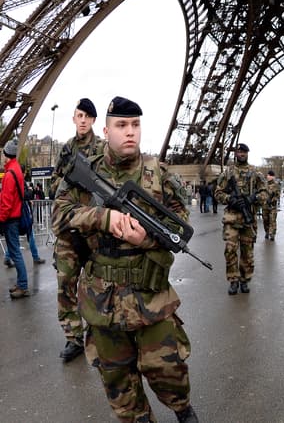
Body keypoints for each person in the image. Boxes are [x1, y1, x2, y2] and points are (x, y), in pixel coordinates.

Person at [51, 96, 197, 422]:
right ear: (106, 130)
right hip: (102, 299)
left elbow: (180, 226)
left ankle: (182, 409)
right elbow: (58, 217)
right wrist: (103, 219)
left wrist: (144, 238)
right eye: (121, 125)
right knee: (118, 380)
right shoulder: (83, 171)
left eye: (135, 125)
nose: (130, 132)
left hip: (150, 294)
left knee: (169, 370)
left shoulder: (158, 173)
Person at [49, 98, 107, 361]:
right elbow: (54, 182)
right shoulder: (67, 149)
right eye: (78, 115)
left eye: (87, 116)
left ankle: (102, 334)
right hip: (69, 227)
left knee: (99, 286)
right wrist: (62, 186)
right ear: (73, 119)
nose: (82, 120)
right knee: (65, 285)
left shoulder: (103, 149)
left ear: (93, 120)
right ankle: (73, 337)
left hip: (94, 228)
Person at [214, 143, 267, 295]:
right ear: (235, 153)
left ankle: (244, 280)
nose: (241, 154)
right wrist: (230, 199)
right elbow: (218, 193)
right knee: (230, 251)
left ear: (247, 153)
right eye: (239, 151)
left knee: (247, 252)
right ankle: (233, 280)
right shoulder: (228, 173)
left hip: (248, 219)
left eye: (244, 151)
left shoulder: (255, 172)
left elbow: (265, 192)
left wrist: (252, 198)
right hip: (231, 219)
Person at [2, 140, 30, 299]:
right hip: (16, 216)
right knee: (15, 251)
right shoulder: (16, 169)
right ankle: (21, 283)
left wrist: (1, 219)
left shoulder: (9, 174)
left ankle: (23, 286)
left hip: (10, 218)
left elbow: (6, 201)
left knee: (15, 253)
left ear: (6, 155)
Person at [262, 170, 280, 241]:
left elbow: (278, 195)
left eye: (270, 175)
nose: (268, 176)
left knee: (272, 220)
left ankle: (272, 234)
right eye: (268, 175)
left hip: (272, 206)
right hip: (264, 206)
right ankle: (267, 231)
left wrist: (272, 200)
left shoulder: (276, 185)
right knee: (265, 220)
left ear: (273, 177)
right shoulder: (264, 184)